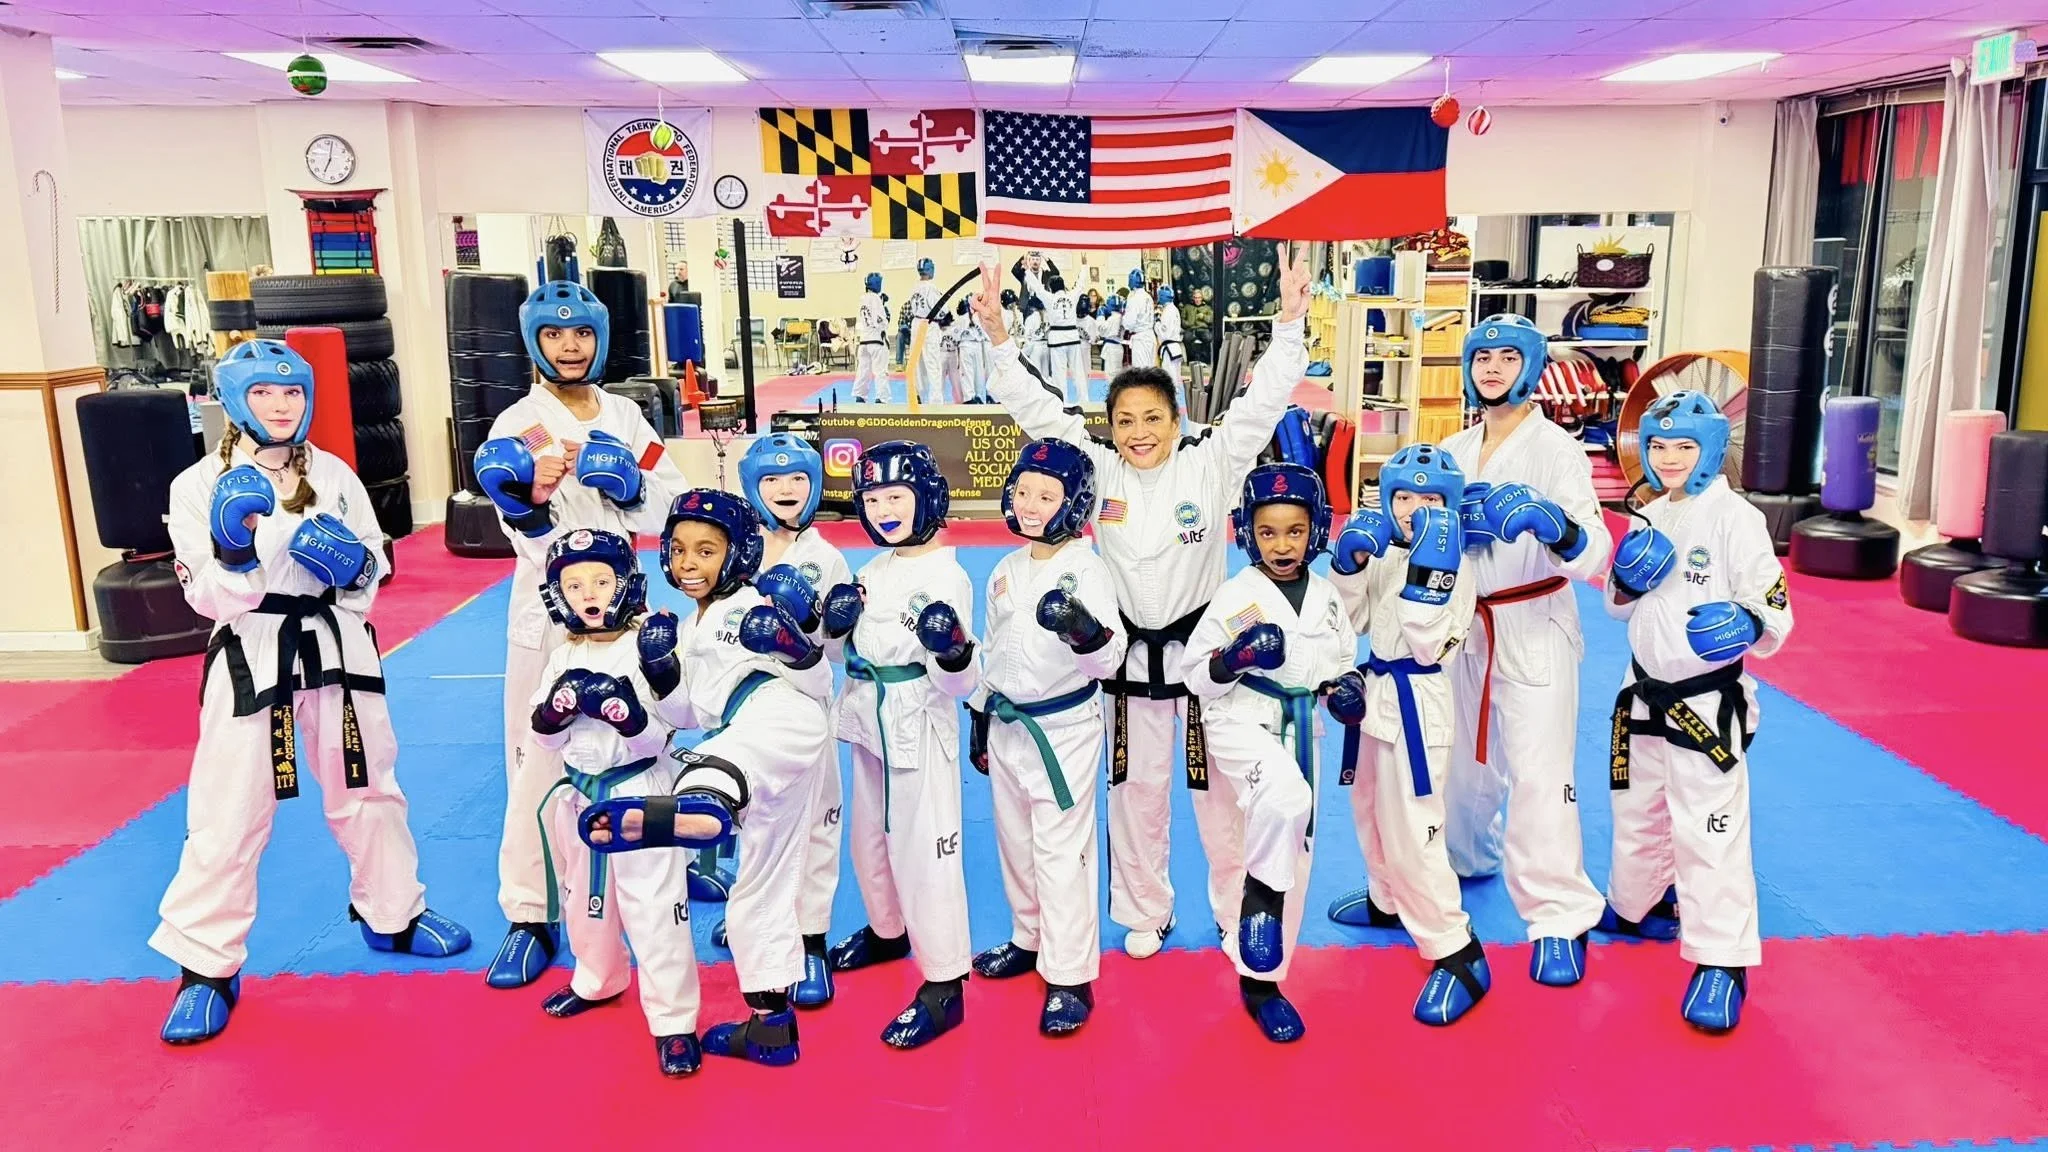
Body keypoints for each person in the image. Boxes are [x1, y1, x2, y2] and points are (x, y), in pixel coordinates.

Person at [972, 247, 1310, 963]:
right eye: (1125, 419)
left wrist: (1289, 324)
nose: (1138, 431)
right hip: (1126, 663)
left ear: (1176, 415)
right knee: (1135, 796)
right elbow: (1040, 416)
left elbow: (1261, 405)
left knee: (1219, 800)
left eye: (1152, 416)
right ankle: (1144, 909)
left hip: (1205, 662)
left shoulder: (1210, 462)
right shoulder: (1098, 472)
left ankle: (1229, 912)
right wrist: (1000, 340)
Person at [155, 340, 470, 1045]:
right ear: (237, 401)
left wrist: (356, 564)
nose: (279, 406)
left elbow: (373, 565)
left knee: (370, 787)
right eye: (264, 394)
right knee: (229, 806)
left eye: (291, 393)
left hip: (334, 639)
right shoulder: (198, 483)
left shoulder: (333, 473)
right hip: (253, 647)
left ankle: (394, 913)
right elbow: (206, 595)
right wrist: (237, 555)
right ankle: (205, 967)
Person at [472, 279, 688, 991]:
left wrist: (629, 485)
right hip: (548, 618)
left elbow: (675, 499)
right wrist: (530, 501)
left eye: (583, 335)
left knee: (645, 743)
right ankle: (530, 915)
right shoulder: (517, 424)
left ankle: (659, 868)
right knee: (537, 763)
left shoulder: (628, 417)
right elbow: (515, 526)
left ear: (600, 340)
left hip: (624, 612)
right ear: (535, 343)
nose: (571, 346)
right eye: (557, 335)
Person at [579, 488, 830, 1066]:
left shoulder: (750, 603)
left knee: (723, 766)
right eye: (679, 549)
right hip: (749, 747)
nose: (689, 562)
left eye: (706, 551)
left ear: (738, 555)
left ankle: (695, 806)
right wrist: (660, 667)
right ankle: (772, 1027)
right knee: (759, 886)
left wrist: (793, 642)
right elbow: (687, 715)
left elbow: (818, 683)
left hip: (779, 717)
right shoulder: (689, 629)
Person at [1603, 391, 1791, 1033]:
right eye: (1659, 446)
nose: (1671, 458)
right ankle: (1637, 903)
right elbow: (1619, 607)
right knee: (1637, 810)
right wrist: (1624, 579)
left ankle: (1722, 959)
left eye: (1685, 446)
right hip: (1641, 691)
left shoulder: (1736, 519)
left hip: (1706, 703)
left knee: (1710, 828)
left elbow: (1775, 607)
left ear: (1711, 450)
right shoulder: (1649, 510)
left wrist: (1747, 621)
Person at [1179, 462, 1355, 1043]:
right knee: (1274, 804)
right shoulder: (1236, 596)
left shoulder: (1328, 598)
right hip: (1235, 718)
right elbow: (1196, 677)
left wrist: (1345, 688)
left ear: (1316, 530)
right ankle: (1257, 901)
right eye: (1268, 532)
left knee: (1295, 844)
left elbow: (1340, 662)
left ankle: (1264, 981)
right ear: (1247, 532)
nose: (1282, 544)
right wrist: (1235, 657)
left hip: (1301, 727)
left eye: (1295, 531)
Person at [820, 442, 980, 1048]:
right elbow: (844, 656)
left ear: (928, 500)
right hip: (866, 716)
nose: (884, 510)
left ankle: (945, 983)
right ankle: (889, 932)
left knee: (926, 854)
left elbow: (960, 681)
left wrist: (955, 650)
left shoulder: (949, 575)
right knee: (869, 842)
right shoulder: (873, 569)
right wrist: (834, 628)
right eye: (874, 499)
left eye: (897, 497)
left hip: (918, 720)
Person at [527, 530, 703, 1077]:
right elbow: (544, 737)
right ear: (557, 595)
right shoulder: (562, 656)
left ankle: (674, 1022)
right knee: (584, 897)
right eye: (573, 584)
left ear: (626, 584)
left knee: (654, 907)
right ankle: (598, 977)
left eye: (601, 580)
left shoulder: (646, 645)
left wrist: (623, 712)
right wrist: (556, 714)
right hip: (579, 795)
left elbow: (665, 735)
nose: (588, 593)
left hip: (640, 792)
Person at [1328, 444, 1493, 1026]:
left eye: (1429, 499)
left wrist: (1428, 574)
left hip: (1420, 701)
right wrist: (1347, 566)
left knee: (1414, 828)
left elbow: (1426, 645)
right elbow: (1350, 622)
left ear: (1447, 504)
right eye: (1403, 497)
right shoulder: (1386, 551)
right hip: (1377, 692)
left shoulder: (1458, 562)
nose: (1413, 509)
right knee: (1369, 806)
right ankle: (1387, 899)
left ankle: (1457, 950)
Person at [969, 439, 1127, 1036]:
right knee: (1015, 841)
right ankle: (1029, 937)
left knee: (1062, 851)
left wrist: (1082, 628)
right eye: (1023, 493)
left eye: (1046, 495)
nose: (1031, 505)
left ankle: (1070, 975)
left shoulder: (1088, 567)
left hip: (1063, 729)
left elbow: (1109, 658)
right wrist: (980, 713)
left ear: (1074, 502)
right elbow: (991, 646)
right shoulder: (1008, 569)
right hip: (1010, 723)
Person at [733, 434, 851, 1007]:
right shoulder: (736, 550)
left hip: (807, 709)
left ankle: (811, 940)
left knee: (815, 825)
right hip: (746, 710)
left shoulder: (826, 558)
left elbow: (835, 648)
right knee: (753, 822)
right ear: (753, 487)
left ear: (815, 484)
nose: (786, 490)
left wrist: (819, 621)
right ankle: (759, 922)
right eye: (773, 481)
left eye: (798, 480)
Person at [1018, 254, 1087, 405]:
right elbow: (1081, 284)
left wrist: (1027, 270)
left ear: (1050, 287)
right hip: (1073, 337)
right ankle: (1085, 401)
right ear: (1063, 286)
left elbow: (1035, 286)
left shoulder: (1049, 298)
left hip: (1057, 339)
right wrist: (1084, 266)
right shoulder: (1072, 296)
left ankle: (1062, 403)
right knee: (1078, 372)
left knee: (1059, 374)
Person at [907, 257, 943, 403]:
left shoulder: (914, 287)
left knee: (917, 363)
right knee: (933, 363)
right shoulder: (931, 288)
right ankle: (935, 401)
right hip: (929, 325)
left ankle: (916, 396)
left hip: (916, 324)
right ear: (930, 269)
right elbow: (941, 310)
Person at [853, 272, 890, 403]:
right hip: (876, 340)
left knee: (863, 370)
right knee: (880, 371)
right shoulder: (875, 299)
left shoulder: (862, 298)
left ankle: (860, 395)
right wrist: (885, 312)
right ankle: (882, 397)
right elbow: (880, 321)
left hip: (863, 341)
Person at [955, 293, 992, 403]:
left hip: (965, 346)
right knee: (979, 373)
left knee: (967, 373)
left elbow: (956, 336)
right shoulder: (979, 317)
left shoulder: (961, 319)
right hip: (978, 346)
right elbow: (986, 334)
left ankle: (969, 397)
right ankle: (980, 396)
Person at [1123, 269, 1157, 370]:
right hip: (1150, 336)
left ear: (1132, 281)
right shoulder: (1148, 297)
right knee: (1149, 371)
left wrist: (1122, 319)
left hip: (1141, 339)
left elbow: (1129, 323)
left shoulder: (1134, 298)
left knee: (1141, 373)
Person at [1155, 285, 1185, 389]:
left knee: (1169, 378)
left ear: (1162, 296)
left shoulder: (1168, 311)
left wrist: (1157, 323)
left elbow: (1164, 332)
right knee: (1174, 378)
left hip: (1169, 349)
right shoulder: (1173, 309)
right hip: (1174, 348)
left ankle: (1171, 401)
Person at [1099, 294, 1126, 377]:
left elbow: (1101, 330)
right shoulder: (1122, 317)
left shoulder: (1113, 318)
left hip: (1111, 348)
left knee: (1110, 374)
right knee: (1117, 373)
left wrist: (1100, 316)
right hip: (1118, 347)